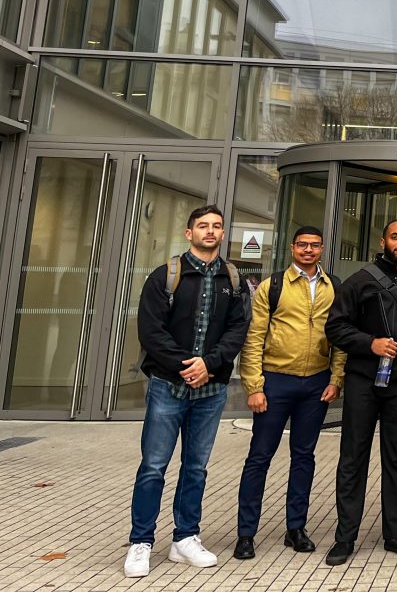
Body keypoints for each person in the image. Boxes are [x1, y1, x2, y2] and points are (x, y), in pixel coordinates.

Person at [124, 205, 249, 579]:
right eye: (203, 226)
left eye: (216, 226)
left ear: (223, 234)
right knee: (153, 467)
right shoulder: (166, 275)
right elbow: (151, 331)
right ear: (189, 232)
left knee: (196, 468)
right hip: (167, 386)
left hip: (210, 390)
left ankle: (185, 538)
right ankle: (140, 541)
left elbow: (237, 330)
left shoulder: (233, 278)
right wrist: (186, 365)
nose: (210, 231)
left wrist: (208, 364)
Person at [323, 219, 397, 566]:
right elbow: (335, 327)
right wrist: (369, 343)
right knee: (352, 458)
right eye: (395, 237)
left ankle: (396, 533)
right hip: (363, 380)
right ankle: (345, 537)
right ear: (383, 240)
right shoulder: (360, 281)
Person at [234, 226, 345, 560]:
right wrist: (253, 386)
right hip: (276, 381)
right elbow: (254, 337)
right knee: (259, 457)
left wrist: (336, 379)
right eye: (302, 245)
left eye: (314, 245)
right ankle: (246, 533)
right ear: (293, 248)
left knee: (304, 457)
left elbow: (339, 338)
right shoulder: (274, 286)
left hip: (316, 383)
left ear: (322, 249)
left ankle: (296, 527)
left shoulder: (333, 287)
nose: (308, 250)